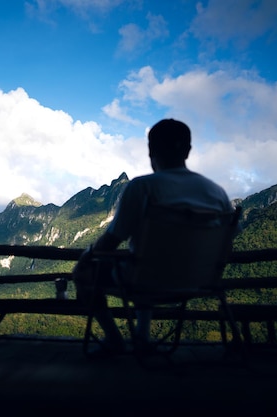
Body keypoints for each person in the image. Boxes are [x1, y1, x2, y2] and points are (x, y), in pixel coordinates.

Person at [73, 118, 233, 355]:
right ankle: (142, 337)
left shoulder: (142, 187)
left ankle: (115, 339)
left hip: (145, 279)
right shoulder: (217, 192)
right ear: (188, 150)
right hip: (201, 281)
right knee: (141, 268)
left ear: (150, 150)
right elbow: (226, 244)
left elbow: (111, 240)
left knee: (84, 274)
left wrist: (87, 256)